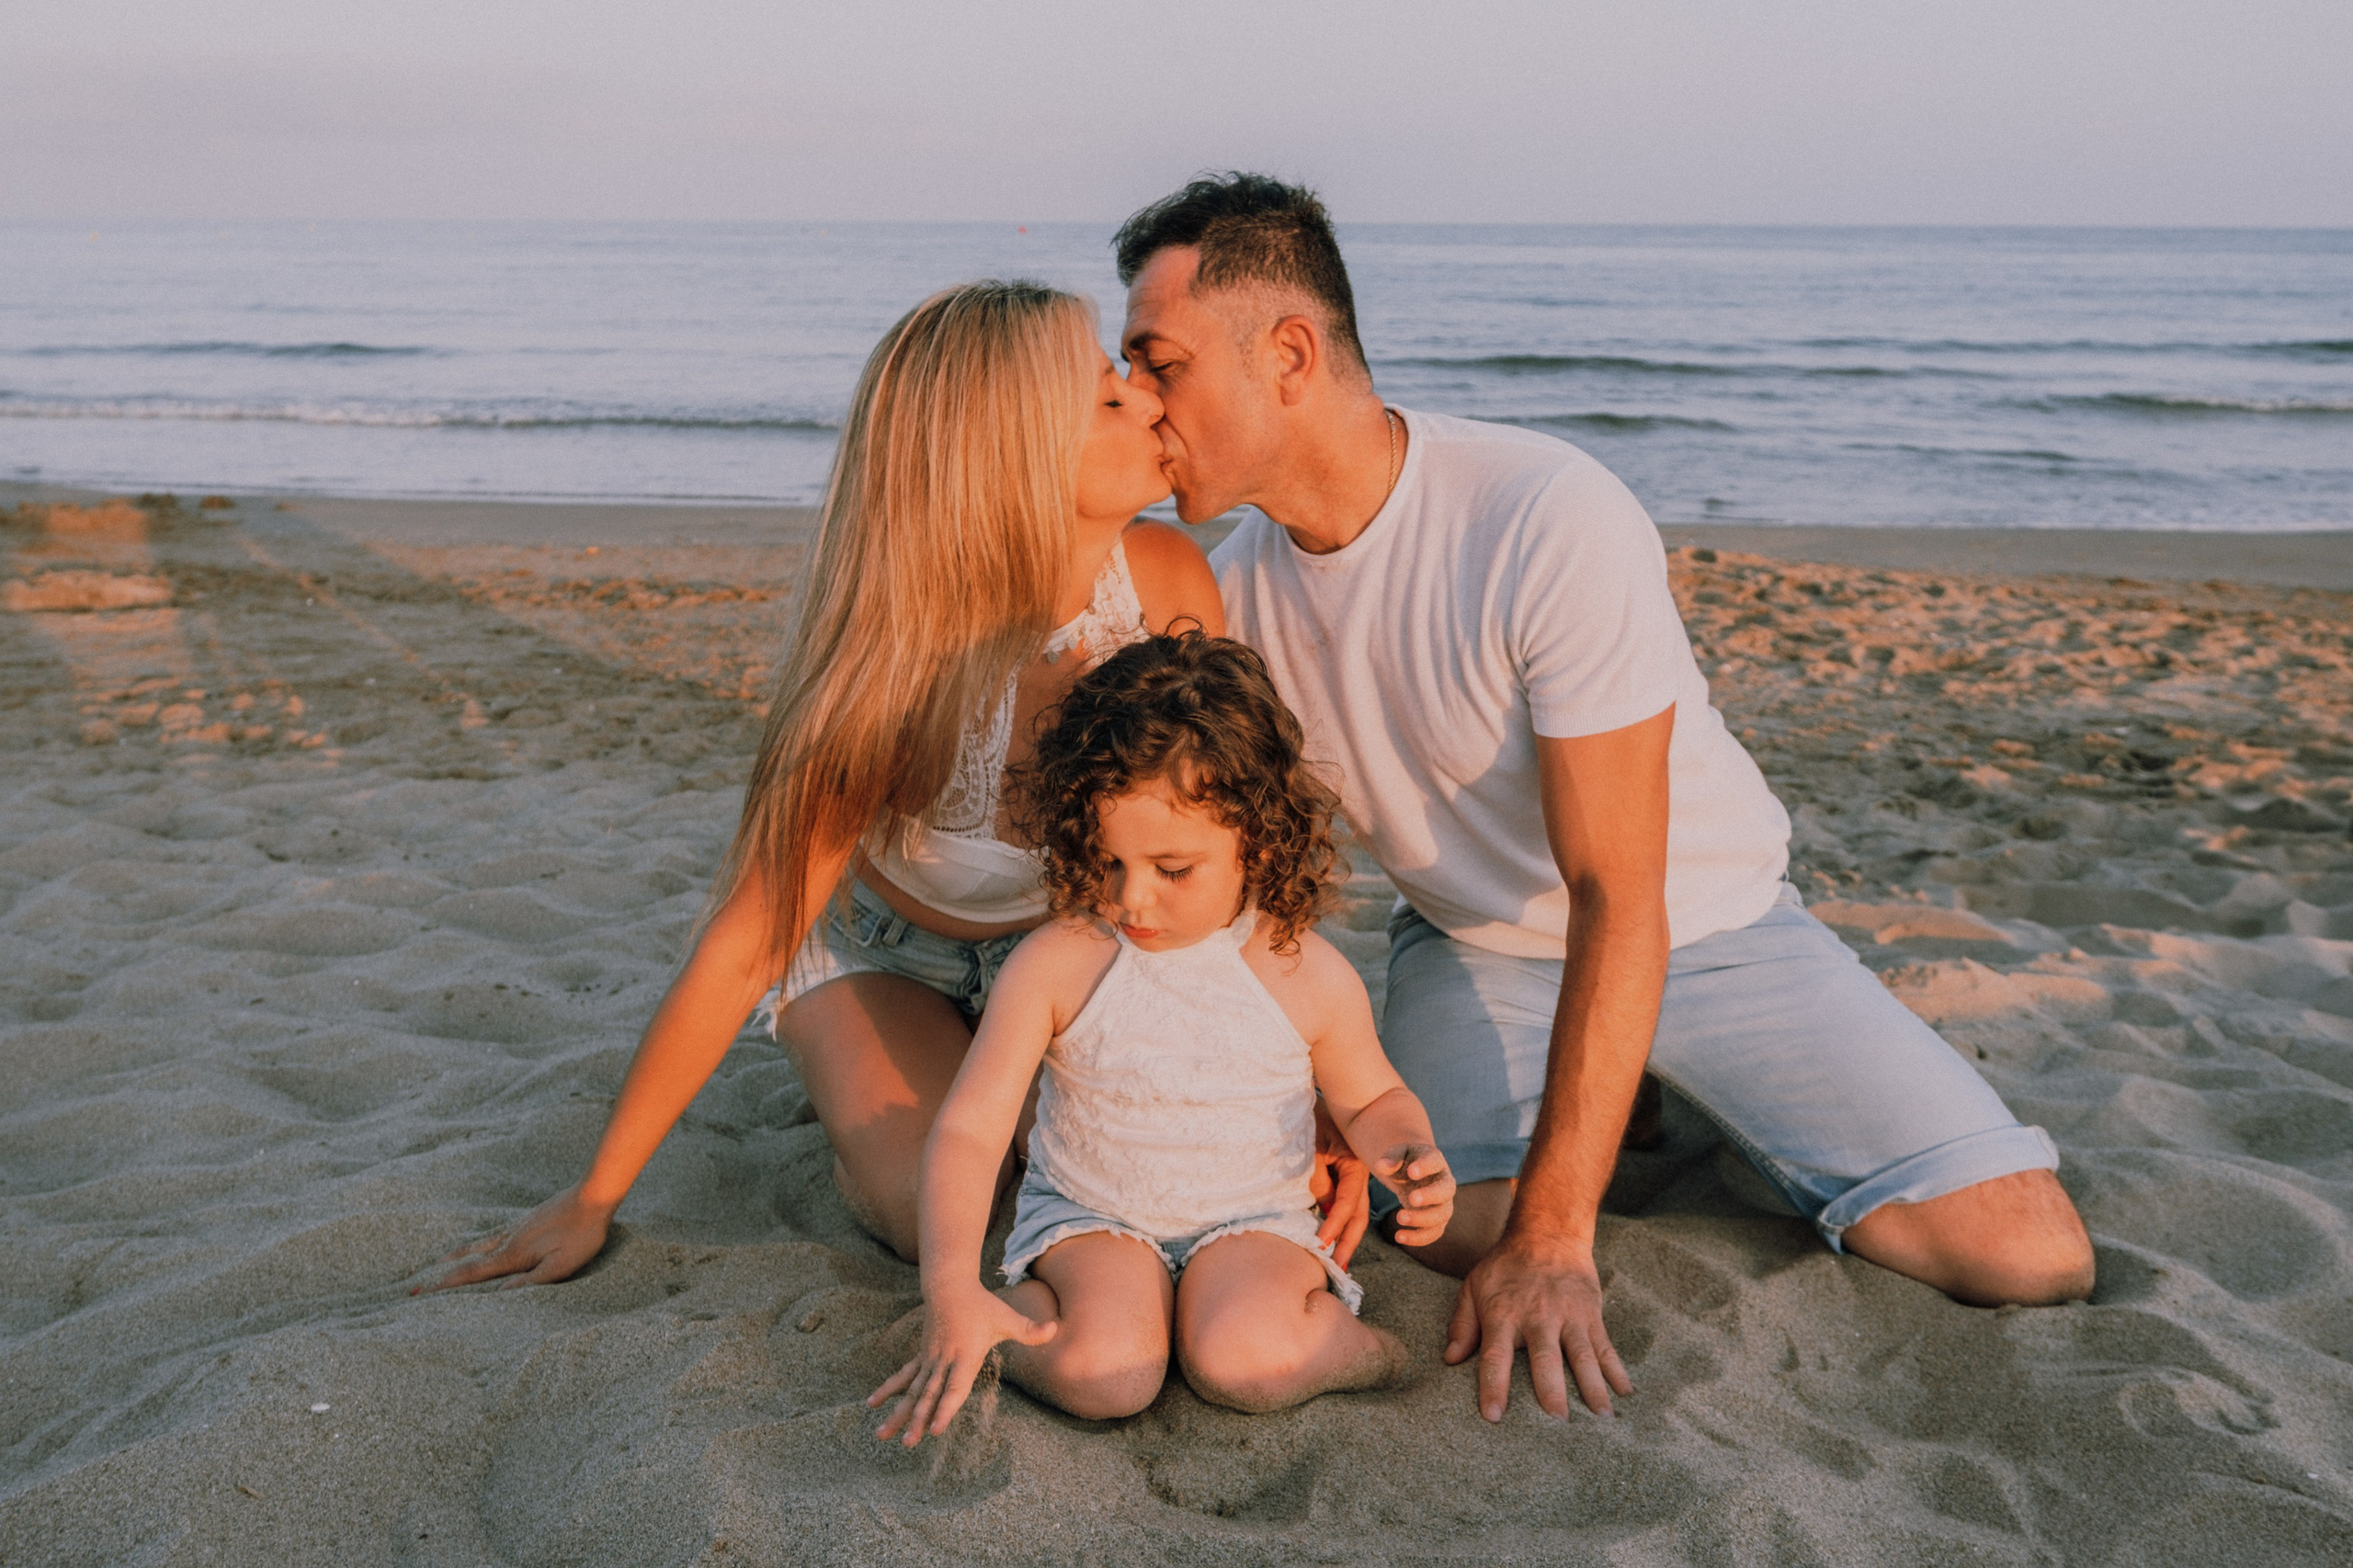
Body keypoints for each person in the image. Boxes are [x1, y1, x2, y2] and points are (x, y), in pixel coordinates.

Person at [1111, 174, 2097, 1423]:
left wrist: (1561, 1240)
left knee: (2026, 1254)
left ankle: (1651, 1094)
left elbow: (1617, 889)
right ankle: (1622, 1099)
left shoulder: (1540, 512)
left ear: (1291, 353)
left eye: (1161, 361)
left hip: (1705, 926)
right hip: (1472, 945)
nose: (1142, 399)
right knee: (1429, 1220)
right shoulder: (1230, 589)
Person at [422, 278, 1226, 1292]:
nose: (1152, 401)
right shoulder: (895, 671)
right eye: (1109, 397)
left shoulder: (1166, 585)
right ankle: (847, 1072)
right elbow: (744, 939)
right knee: (935, 1211)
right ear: (1010, 454)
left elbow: (1223, 849)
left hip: (1072, 951)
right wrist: (593, 1196)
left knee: (1118, 1174)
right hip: (891, 957)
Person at [869, 632, 1455, 1442]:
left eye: (1172, 869)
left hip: (1252, 1220)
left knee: (1243, 1360)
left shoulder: (1302, 971)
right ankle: (986, 1322)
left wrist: (1408, 1151)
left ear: (1259, 837)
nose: (1132, 899)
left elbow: (1372, 1096)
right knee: (1107, 1374)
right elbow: (972, 1130)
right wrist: (948, 1288)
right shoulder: (1058, 964)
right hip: (1092, 1216)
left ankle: (1368, 1351)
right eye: (1107, 860)